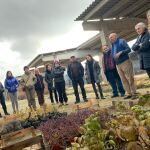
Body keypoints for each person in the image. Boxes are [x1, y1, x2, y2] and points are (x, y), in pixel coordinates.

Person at [109, 33, 137, 100]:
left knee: (129, 78)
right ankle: (129, 93)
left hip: (125, 62)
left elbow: (128, 49)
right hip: (118, 64)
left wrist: (121, 52)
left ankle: (134, 93)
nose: (110, 39)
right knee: (123, 79)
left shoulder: (122, 41)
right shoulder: (112, 45)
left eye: (111, 37)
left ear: (116, 36)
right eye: (110, 38)